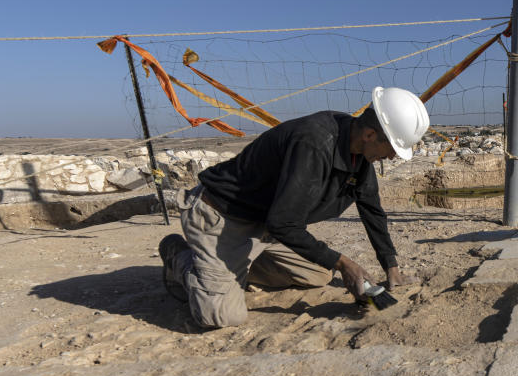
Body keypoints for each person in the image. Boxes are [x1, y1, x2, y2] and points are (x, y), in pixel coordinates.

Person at [158, 86, 430, 328]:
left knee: (319, 274)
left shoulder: (358, 153)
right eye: (393, 147)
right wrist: (345, 263)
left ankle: (235, 267)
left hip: (265, 224)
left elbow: (371, 208)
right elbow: (284, 223)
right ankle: (179, 257)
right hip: (221, 217)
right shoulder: (314, 143)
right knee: (223, 316)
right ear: (371, 134)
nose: (393, 156)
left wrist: (390, 267)